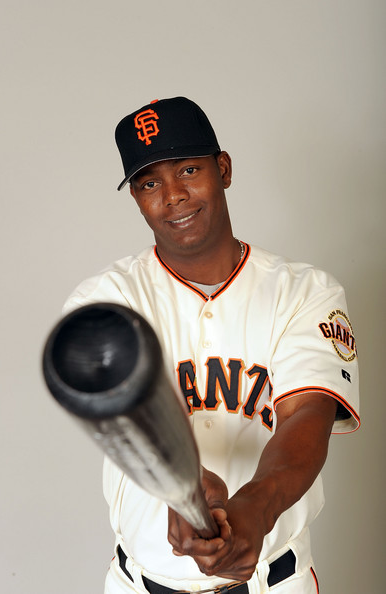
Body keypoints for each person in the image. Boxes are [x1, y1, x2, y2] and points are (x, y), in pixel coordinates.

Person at [63, 96, 360, 594]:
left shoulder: (306, 292)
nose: (173, 195)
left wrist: (255, 506)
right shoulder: (104, 301)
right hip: (140, 583)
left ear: (223, 169)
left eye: (188, 169)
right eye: (149, 182)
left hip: (273, 582)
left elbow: (306, 419)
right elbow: (128, 416)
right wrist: (183, 489)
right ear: (136, 197)